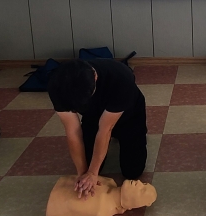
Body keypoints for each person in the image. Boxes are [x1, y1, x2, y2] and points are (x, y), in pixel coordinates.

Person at [47, 58, 148, 199]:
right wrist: (84, 175)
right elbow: (73, 132)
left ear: (95, 77)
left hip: (129, 115)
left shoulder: (120, 78)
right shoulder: (57, 85)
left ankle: (126, 137)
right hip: (93, 117)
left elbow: (105, 130)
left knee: (132, 171)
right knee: (88, 166)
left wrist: (93, 173)